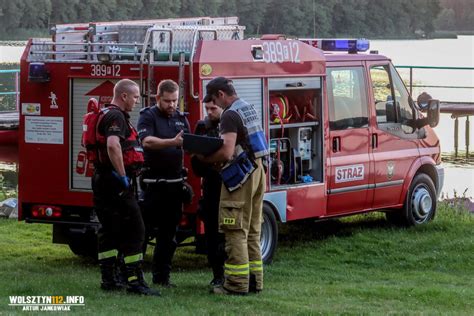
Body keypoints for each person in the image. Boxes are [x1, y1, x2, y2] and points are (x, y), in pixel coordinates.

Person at [197, 77, 269, 295]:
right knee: (253, 230)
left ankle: (236, 285)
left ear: (220, 94)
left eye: (214, 100)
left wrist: (205, 158)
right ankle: (255, 281)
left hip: (241, 176)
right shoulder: (247, 107)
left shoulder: (229, 114)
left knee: (234, 228)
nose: (214, 106)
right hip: (258, 171)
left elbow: (227, 151)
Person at [92, 79, 160, 296]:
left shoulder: (106, 114)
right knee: (136, 230)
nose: (136, 101)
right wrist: (122, 176)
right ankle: (134, 281)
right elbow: (113, 145)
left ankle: (109, 280)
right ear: (123, 96)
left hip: (103, 180)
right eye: (135, 97)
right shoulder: (116, 116)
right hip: (115, 182)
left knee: (110, 230)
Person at [137, 79, 190, 287]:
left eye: (175, 101)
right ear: (158, 97)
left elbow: (189, 142)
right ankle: (134, 275)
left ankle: (162, 278)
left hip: (174, 184)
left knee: (169, 236)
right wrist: (172, 143)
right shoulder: (148, 116)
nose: (172, 105)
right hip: (152, 184)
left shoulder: (180, 118)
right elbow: (146, 141)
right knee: (142, 233)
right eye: (167, 101)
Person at [191, 100, 226, 287]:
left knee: (231, 232)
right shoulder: (202, 127)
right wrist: (203, 159)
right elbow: (196, 167)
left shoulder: (233, 123)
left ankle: (238, 274)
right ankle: (217, 274)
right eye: (207, 109)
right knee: (212, 233)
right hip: (212, 186)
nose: (210, 112)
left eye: (214, 108)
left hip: (232, 187)